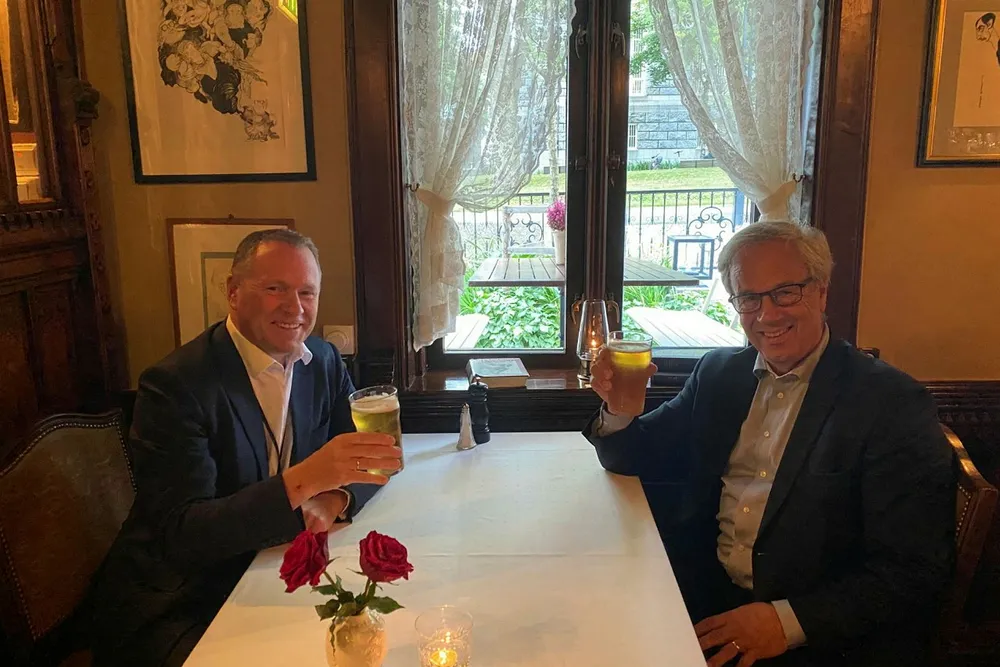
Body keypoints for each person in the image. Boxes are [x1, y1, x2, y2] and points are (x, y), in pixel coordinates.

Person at [585, 221, 955, 666]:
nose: (767, 315)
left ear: (822, 292)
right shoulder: (719, 373)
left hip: (814, 634)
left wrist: (786, 622)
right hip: (702, 595)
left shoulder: (890, 402)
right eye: (749, 298)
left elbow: (914, 568)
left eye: (786, 293)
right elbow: (633, 456)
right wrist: (620, 409)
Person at [89, 229, 402, 666]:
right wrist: (306, 480)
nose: (295, 307)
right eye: (275, 289)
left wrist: (333, 497)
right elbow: (183, 533)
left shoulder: (323, 361)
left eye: (307, 292)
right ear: (233, 292)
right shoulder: (176, 385)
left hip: (272, 566)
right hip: (183, 598)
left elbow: (371, 458)